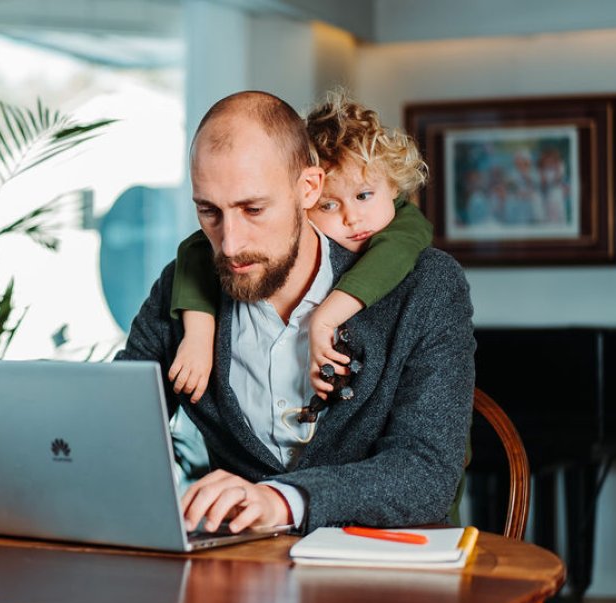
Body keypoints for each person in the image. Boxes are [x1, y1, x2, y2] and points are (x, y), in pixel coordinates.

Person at [115, 90, 475, 534]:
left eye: (254, 209)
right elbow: (117, 426)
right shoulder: (184, 289)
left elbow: (425, 473)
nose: (230, 245)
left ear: (308, 189)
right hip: (238, 575)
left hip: (383, 574)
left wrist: (282, 500)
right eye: (209, 212)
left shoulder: (426, 286)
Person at [167, 90, 433, 403]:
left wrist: (325, 317)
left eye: (253, 209)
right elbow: (194, 250)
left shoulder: (416, 253)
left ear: (392, 188)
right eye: (329, 205)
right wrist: (198, 331)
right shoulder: (205, 263)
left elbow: (397, 249)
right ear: (306, 197)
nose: (353, 219)